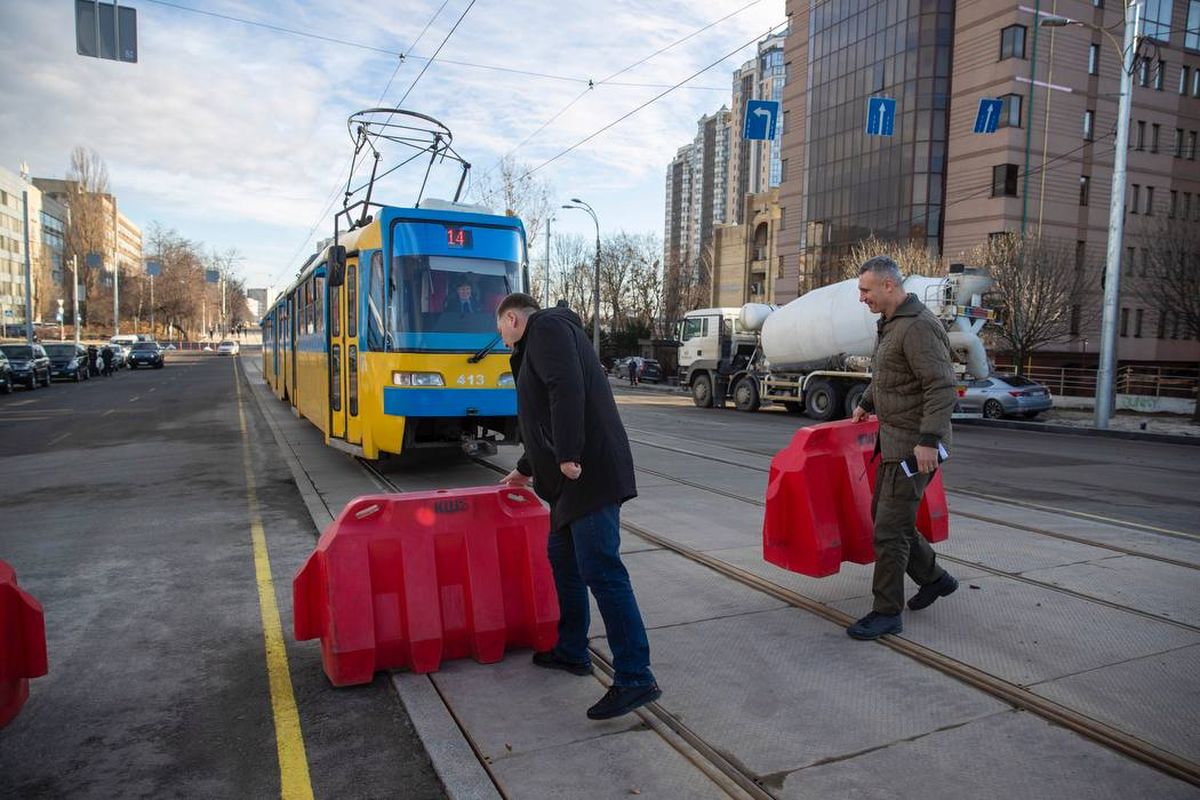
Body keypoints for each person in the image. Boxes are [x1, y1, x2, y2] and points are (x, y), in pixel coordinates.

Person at [496, 292, 661, 720]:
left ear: (512, 318)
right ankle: (572, 649)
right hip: (569, 481)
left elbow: (565, 389)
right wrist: (526, 469)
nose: (502, 341)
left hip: (586, 474)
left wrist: (568, 454)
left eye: (501, 332)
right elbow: (539, 417)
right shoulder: (540, 340)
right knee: (563, 559)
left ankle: (635, 676)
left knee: (602, 571)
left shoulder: (547, 328)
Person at [848, 255, 959, 640]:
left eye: (865, 290)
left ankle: (886, 612)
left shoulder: (917, 328)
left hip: (914, 449)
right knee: (890, 519)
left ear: (888, 286)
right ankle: (935, 579)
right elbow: (890, 376)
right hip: (896, 443)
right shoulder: (893, 325)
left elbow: (941, 386)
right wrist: (866, 401)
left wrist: (928, 441)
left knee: (889, 532)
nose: (861, 297)